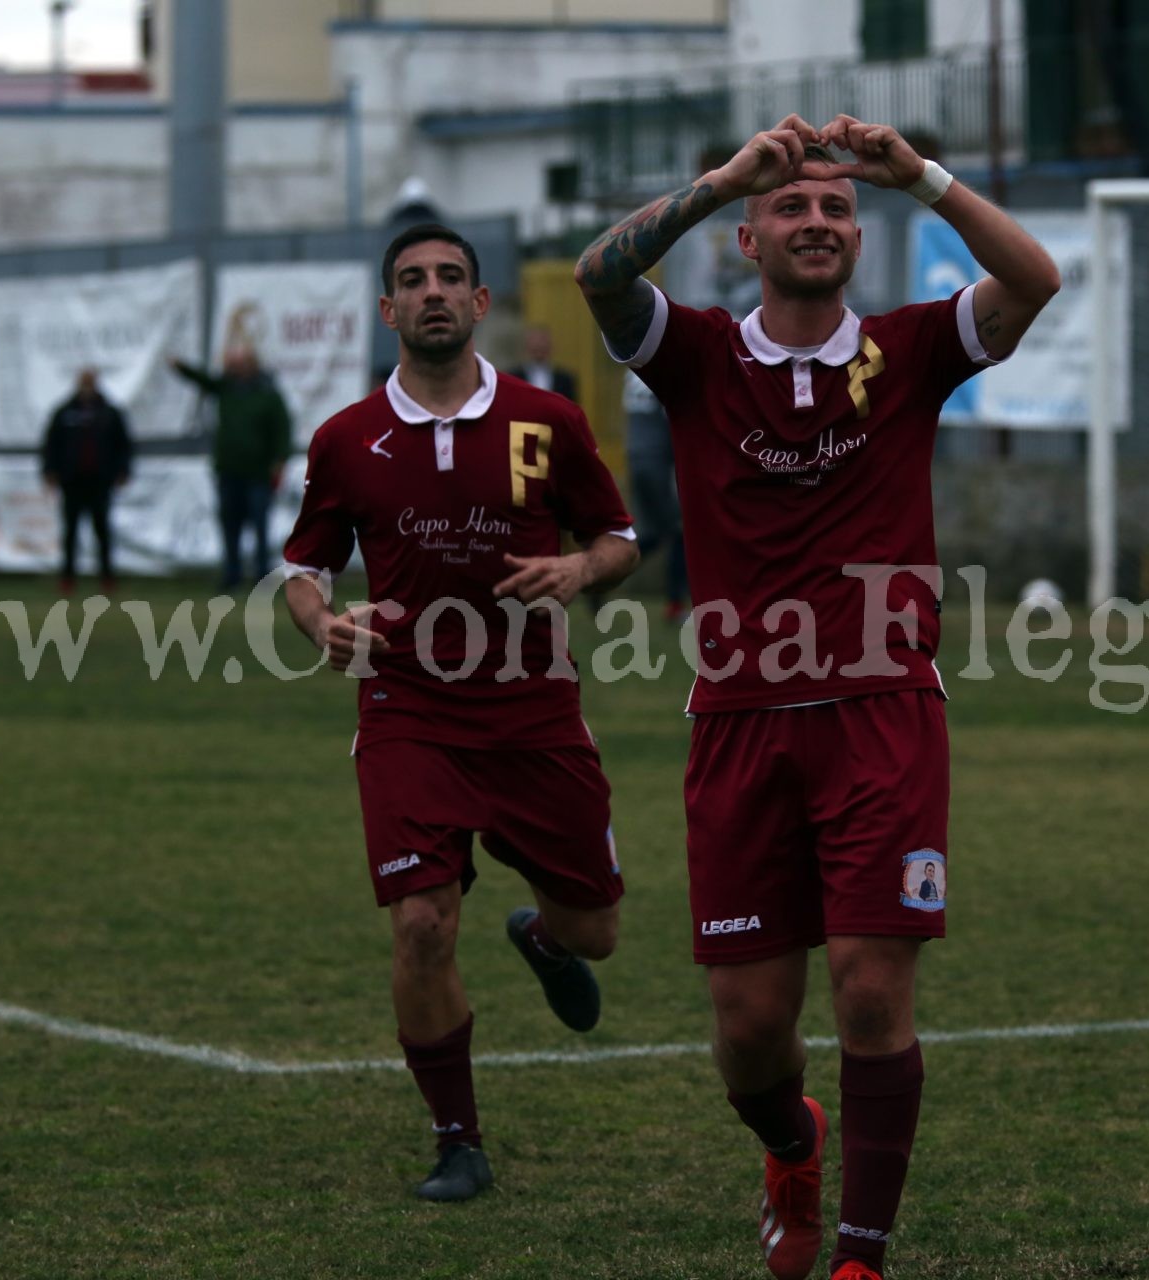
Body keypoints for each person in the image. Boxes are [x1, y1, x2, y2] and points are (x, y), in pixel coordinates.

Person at [575, 114, 1060, 1280]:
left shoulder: (908, 348)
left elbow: (1035, 277)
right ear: (749, 237)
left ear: (858, 238)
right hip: (739, 720)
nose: (817, 221)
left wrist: (921, 177)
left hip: (883, 709)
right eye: (792, 207)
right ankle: (793, 1146)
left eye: (838, 210)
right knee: (749, 1034)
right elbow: (602, 273)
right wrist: (720, 176)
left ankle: (861, 1254)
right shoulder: (694, 353)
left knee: (871, 992)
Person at [281, 223, 641, 1204]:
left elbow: (620, 535)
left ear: (481, 304)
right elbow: (300, 568)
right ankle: (458, 1140)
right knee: (422, 927)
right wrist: (319, 621)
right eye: (411, 280)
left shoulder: (547, 420)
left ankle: (545, 935)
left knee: (600, 926)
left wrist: (577, 566)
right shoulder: (346, 439)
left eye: (450, 277)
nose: (432, 291)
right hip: (410, 710)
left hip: (534, 710)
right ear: (388, 310)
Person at [169, 346, 293, 590]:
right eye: (234, 363)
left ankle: (261, 577)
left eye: (242, 363)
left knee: (260, 527)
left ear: (253, 364)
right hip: (228, 472)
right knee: (230, 526)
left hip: (258, 474)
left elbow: (282, 428)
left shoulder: (268, 394)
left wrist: (280, 459)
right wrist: (180, 367)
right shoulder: (225, 388)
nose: (237, 368)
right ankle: (231, 575)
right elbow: (201, 379)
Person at [41, 367, 133, 595]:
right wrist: (50, 471)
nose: (87, 387)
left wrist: (122, 471)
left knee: (102, 531)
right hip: (72, 481)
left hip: (100, 481)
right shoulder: (64, 412)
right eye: (83, 382)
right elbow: (51, 444)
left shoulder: (109, 413)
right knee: (71, 532)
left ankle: (107, 578)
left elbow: (124, 445)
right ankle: (67, 578)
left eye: (90, 382)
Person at [624, 373, 689, 621]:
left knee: (657, 533)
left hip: (637, 458)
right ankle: (675, 605)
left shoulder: (631, 369)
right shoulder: (657, 364)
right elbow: (675, 417)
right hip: (656, 462)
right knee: (678, 532)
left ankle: (601, 577)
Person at [509, 324, 579, 401]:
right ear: (527, 346)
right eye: (535, 345)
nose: (539, 345)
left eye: (542, 344)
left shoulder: (565, 379)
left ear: (550, 346)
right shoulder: (514, 377)